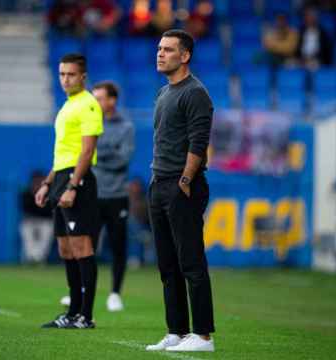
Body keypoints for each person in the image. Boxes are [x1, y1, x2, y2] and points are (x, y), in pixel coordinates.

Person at [145, 29, 215, 352]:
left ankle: (202, 336)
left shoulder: (195, 93)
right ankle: (176, 331)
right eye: (159, 48)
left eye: (168, 49)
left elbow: (198, 142)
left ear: (185, 56)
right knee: (167, 265)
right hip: (158, 184)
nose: (160, 54)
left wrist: (184, 182)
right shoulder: (163, 93)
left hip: (181, 186)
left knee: (191, 263)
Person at [35, 53, 103, 329]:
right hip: (63, 177)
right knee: (65, 248)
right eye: (62, 74)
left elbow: (87, 150)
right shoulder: (67, 106)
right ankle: (72, 312)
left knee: (81, 246)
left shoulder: (88, 105)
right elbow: (64, 153)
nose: (65, 79)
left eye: (71, 74)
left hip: (79, 180)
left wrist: (74, 185)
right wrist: (48, 183)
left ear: (83, 77)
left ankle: (86, 316)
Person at [92, 81, 135, 312]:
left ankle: (115, 293)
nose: (95, 102)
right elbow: (82, 155)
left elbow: (123, 160)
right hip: (93, 194)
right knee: (86, 245)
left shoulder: (125, 126)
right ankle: (81, 290)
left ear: (112, 100)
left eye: (99, 98)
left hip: (117, 195)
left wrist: (97, 153)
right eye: (93, 98)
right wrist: (107, 152)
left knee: (118, 246)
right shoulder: (88, 123)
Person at [20, 171, 54, 264]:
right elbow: (26, 209)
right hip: (30, 221)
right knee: (27, 233)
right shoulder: (26, 193)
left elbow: (49, 211)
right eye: (35, 181)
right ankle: (31, 258)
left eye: (40, 180)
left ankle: (39, 258)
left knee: (47, 230)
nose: (38, 183)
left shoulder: (49, 193)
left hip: (45, 221)